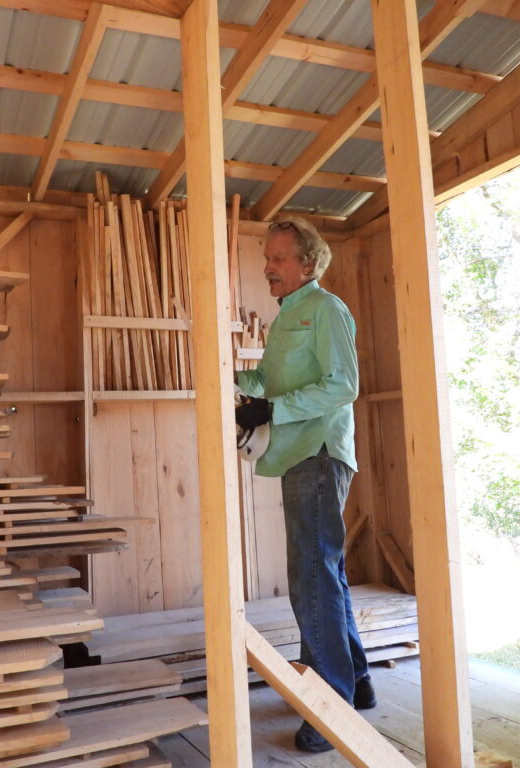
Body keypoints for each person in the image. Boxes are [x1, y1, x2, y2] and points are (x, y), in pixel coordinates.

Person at [235, 217, 375, 754]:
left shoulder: (325, 309)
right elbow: (270, 384)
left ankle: (328, 707)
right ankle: (356, 682)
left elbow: (343, 385)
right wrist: (240, 381)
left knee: (312, 575)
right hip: (297, 453)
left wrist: (274, 407)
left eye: (277, 258)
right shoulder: (288, 317)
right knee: (326, 570)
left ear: (308, 264)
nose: (267, 267)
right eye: (266, 258)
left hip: (317, 451)